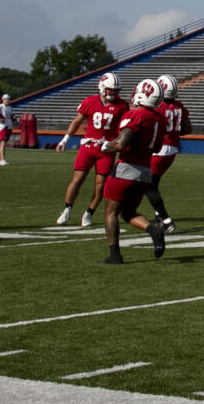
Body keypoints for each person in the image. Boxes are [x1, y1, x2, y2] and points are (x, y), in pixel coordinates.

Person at [97, 79, 169, 265]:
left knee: (111, 212)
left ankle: (115, 255)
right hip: (145, 171)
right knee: (128, 212)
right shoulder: (159, 119)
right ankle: (153, 230)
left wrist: (106, 146)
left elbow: (121, 143)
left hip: (126, 168)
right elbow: (157, 147)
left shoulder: (136, 115)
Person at [56, 72, 126, 227]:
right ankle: (67, 209)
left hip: (106, 149)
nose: (113, 93)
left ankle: (89, 212)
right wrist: (65, 139)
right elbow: (77, 122)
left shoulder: (122, 105)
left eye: (115, 90)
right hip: (88, 147)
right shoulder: (89, 101)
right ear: (102, 87)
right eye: (110, 90)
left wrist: (116, 144)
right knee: (77, 179)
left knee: (100, 184)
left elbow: (125, 129)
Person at [148, 74, 188, 232]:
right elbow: (187, 128)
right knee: (154, 185)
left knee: (148, 187)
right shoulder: (179, 106)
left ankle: (166, 220)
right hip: (172, 150)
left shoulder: (158, 107)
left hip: (159, 150)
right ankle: (159, 216)